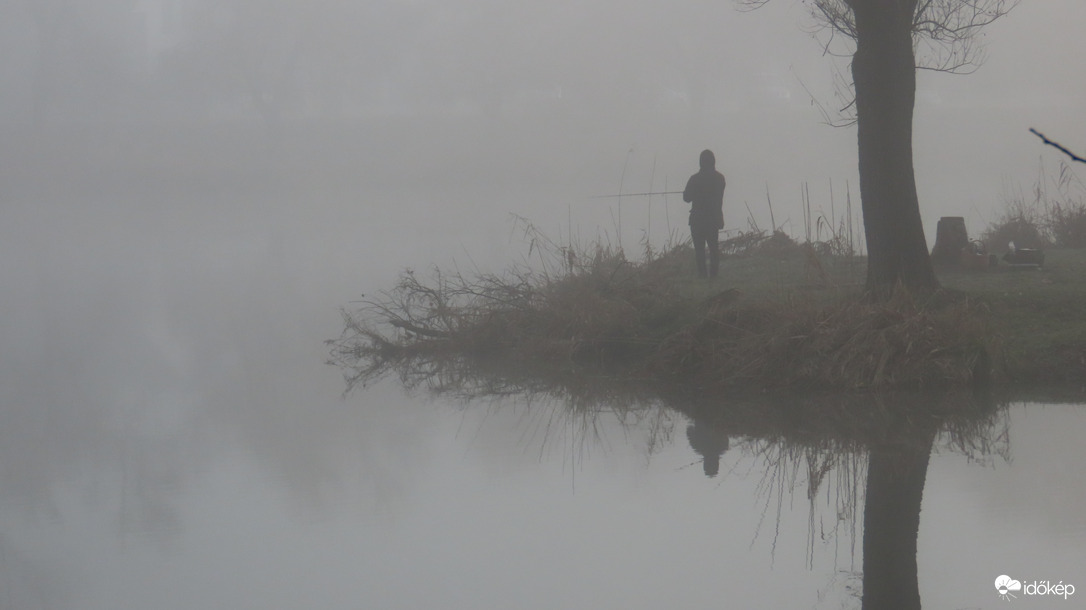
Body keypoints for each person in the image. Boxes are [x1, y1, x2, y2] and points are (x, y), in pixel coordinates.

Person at [682, 149, 726, 278]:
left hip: (697, 220)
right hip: (713, 219)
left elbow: (686, 198)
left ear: (700, 162)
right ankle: (713, 277)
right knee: (714, 249)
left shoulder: (694, 179)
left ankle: (702, 276)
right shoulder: (720, 178)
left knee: (699, 251)